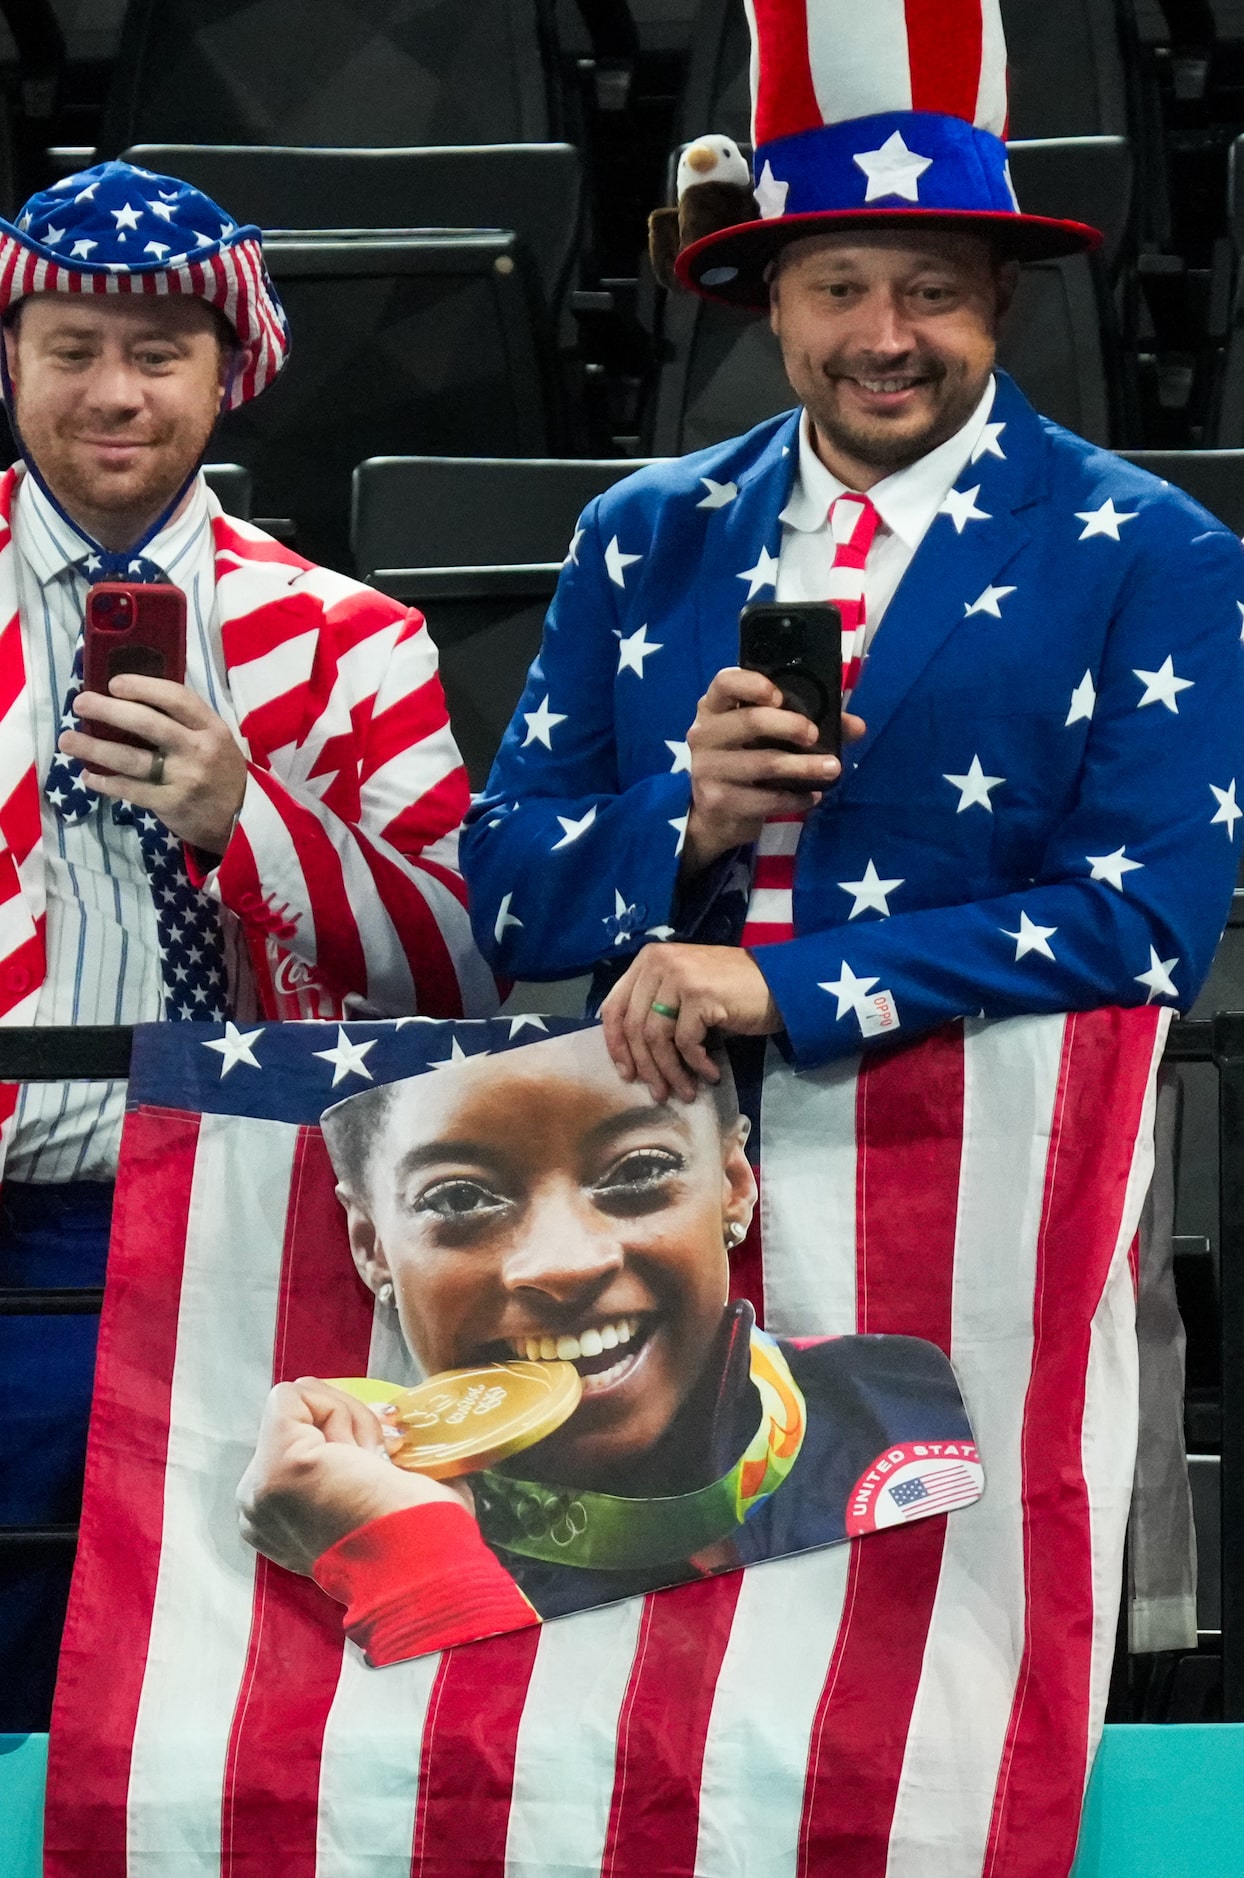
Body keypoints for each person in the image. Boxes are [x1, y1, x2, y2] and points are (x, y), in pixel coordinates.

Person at [458, 1, 1244, 1113]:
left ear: (1000, 301)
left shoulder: (1161, 553)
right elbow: (506, 894)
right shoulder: (639, 531)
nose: (883, 338)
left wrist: (785, 986)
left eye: (931, 290)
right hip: (665, 1166)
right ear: (771, 302)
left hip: (981, 1169)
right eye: (837, 289)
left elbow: (1144, 922)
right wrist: (693, 818)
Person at [0, 159, 493, 1728]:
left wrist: (244, 818)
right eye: (71, 346)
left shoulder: (353, 641)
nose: (113, 391)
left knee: (226, 1673)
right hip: (12, 1214)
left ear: (232, 373)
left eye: (158, 352)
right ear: (10, 361)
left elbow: (462, 962)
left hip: (251, 1242)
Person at [237, 1027, 980, 1663]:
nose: (564, 1263)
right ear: (370, 1248)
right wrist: (405, 1558)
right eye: (459, 1197)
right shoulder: (315, 1517)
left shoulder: (916, 1403)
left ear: (733, 1184)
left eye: (640, 1170)